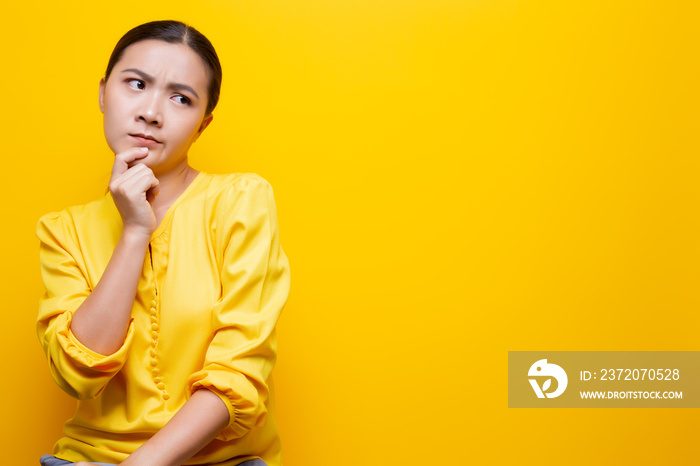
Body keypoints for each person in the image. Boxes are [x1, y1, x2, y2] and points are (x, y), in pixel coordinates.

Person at [36, 20, 290, 466]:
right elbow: (77, 375)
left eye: (181, 98)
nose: (151, 112)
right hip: (88, 459)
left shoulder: (240, 201)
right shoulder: (64, 230)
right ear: (102, 93)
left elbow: (240, 371)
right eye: (136, 84)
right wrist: (134, 230)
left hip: (223, 462)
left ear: (202, 124)